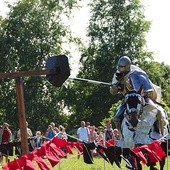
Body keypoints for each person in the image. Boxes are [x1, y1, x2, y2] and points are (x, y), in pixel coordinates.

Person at [110, 56, 162, 131]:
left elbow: (147, 88)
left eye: (122, 67)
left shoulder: (137, 72)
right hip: (128, 99)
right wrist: (114, 88)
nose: (120, 69)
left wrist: (145, 92)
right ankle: (122, 137)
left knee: (158, 112)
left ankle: (159, 134)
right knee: (116, 118)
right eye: (119, 66)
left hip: (142, 98)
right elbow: (112, 91)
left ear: (127, 66)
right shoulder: (117, 75)